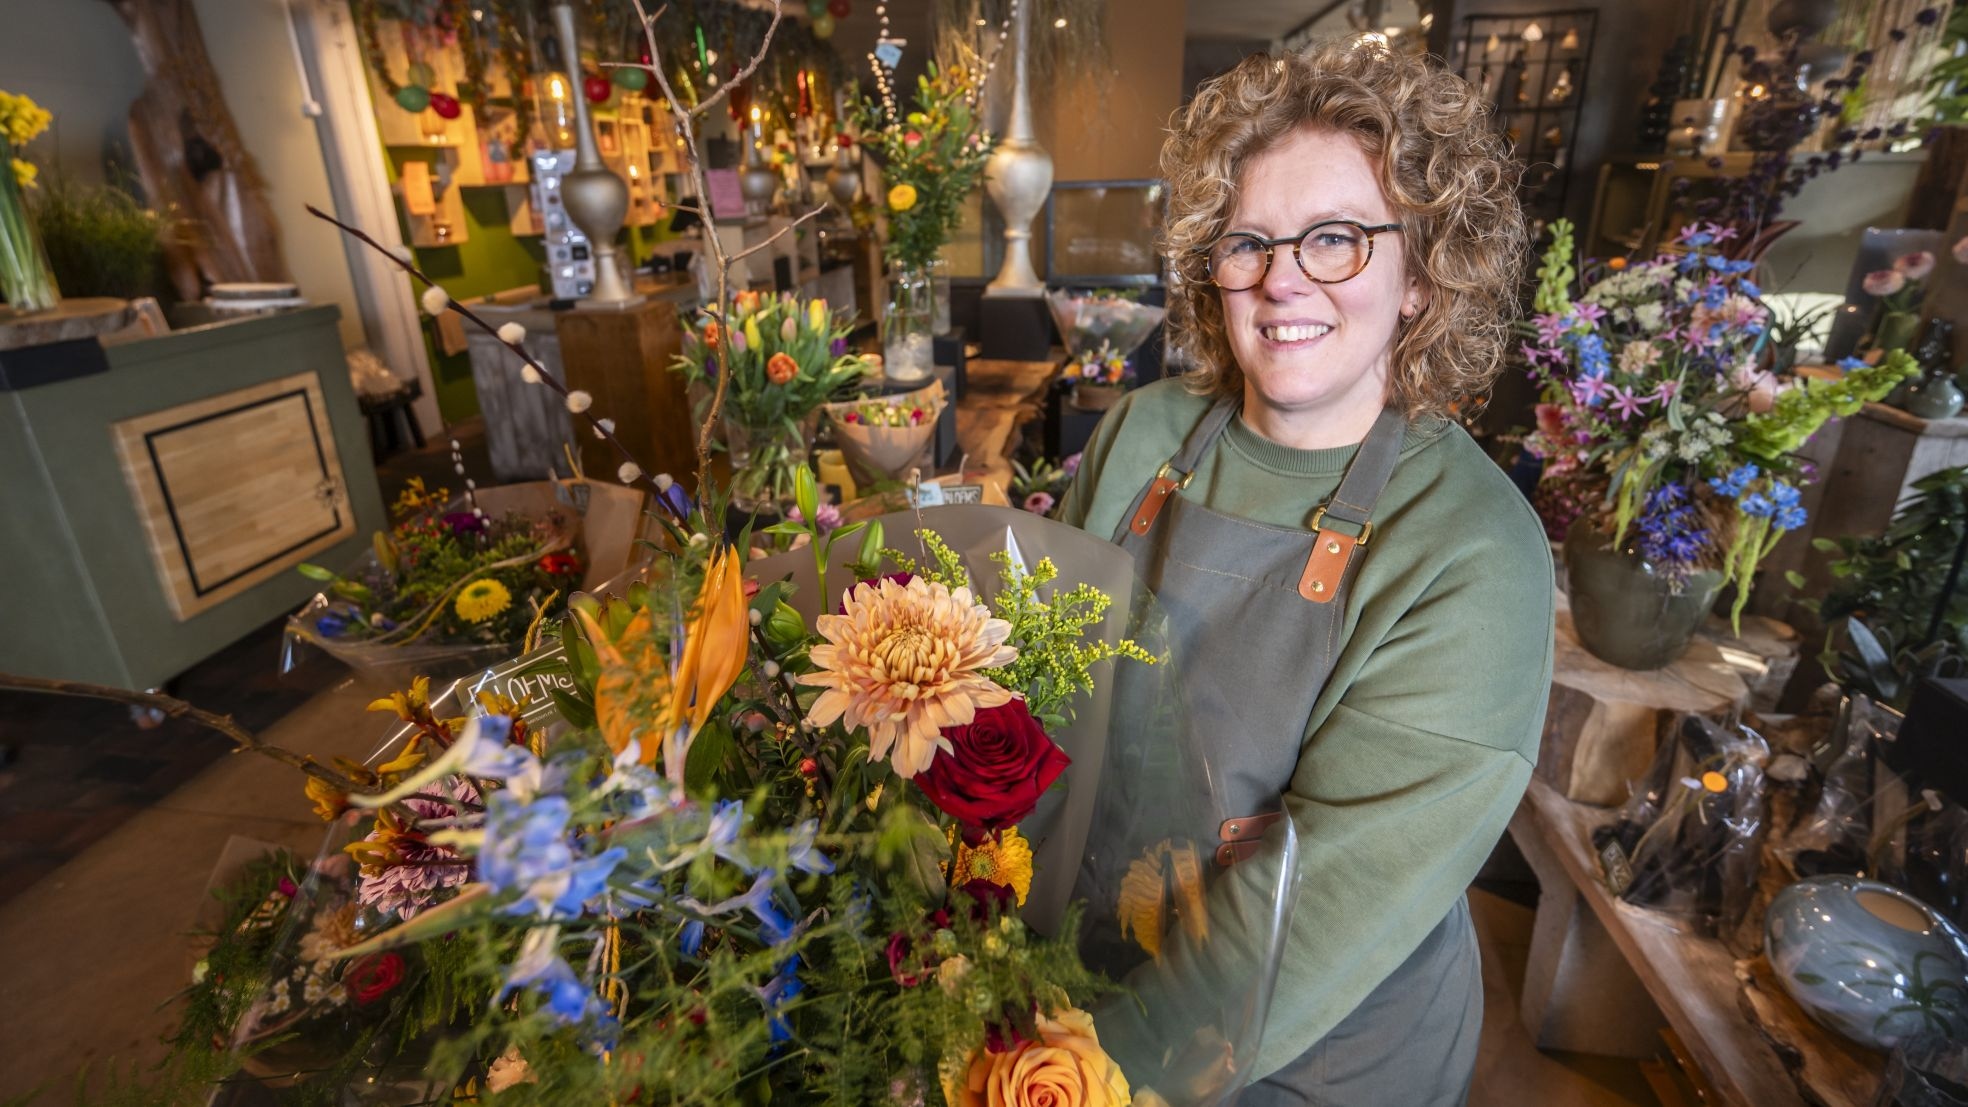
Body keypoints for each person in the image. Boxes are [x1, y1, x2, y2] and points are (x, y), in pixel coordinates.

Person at [1058, 39, 1554, 1106]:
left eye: (1335, 239)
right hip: (1081, 973)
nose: (1282, 279)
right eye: (1249, 242)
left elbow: (1315, 920)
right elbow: (1040, 710)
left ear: (1423, 272)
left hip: (1306, 1054)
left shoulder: (1473, 552)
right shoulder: (1141, 434)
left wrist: (1081, 1076)